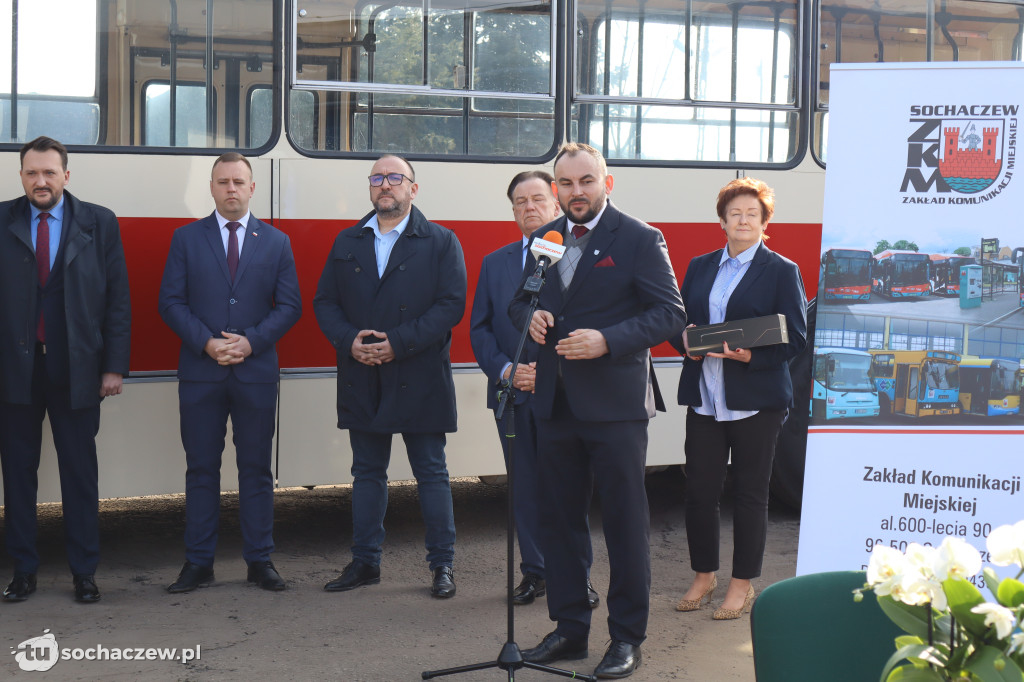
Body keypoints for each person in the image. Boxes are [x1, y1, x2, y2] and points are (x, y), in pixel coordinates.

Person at [509, 143, 686, 679]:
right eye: (566, 184)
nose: (575, 192)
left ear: (607, 184)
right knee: (560, 523)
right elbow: (523, 299)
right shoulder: (548, 237)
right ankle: (568, 629)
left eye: (586, 181)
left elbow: (670, 315)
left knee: (625, 526)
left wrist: (607, 339)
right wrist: (532, 317)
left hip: (614, 409)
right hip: (554, 404)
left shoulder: (639, 237)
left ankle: (627, 638)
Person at [314, 155, 467, 599]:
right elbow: (325, 302)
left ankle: (442, 566)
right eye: (378, 178)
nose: (386, 185)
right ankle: (365, 562)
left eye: (395, 178)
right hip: (363, 373)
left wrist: (397, 343)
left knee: (432, 473)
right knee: (366, 472)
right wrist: (349, 341)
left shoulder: (441, 241)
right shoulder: (347, 241)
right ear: (370, 188)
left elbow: (450, 306)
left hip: (419, 372)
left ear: (412, 189)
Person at [158, 152, 302, 593]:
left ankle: (260, 561)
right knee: (201, 469)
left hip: (255, 372)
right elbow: (170, 302)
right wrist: (207, 342)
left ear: (253, 187)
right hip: (202, 373)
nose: (231, 189)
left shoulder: (276, 242)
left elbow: (290, 306)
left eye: (239, 182)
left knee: (256, 469)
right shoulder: (186, 238)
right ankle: (198, 563)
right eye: (223, 182)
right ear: (212, 187)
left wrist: (251, 341)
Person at [0, 136, 131, 603]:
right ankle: (23, 571)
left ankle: (84, 573)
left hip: (78, 370)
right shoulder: (2, 219)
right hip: (15, 373)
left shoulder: (100, 222)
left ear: (66, 176)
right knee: (17, 476)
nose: (41, 181)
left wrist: (114, 367)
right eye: (32, 173)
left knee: (79, 474)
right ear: (21, 176)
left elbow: (117, 302)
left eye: (49, 173)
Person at [670, 177, 806, 620]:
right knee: (700, 492)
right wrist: (684, 340)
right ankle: (704, 576)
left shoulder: (782, 270)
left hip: (756, 400)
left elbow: (797, 339)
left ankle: (742, 584)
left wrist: (752, 355)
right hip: (706, 398)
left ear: (766, 222)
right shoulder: (699, 265)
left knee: (750, 495)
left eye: (752, 213)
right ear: (722, 221)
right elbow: (681, 323)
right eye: (735, 213)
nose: (743, 220)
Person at [469, 171, 598, 609]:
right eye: (520, 201)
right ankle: (536, 572)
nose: (529, 208)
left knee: (568, 488)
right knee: (524, 488)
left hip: (564, 394)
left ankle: (577, 577)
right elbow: (481, 328)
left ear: (556, 204)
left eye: (538, 199)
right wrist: (507, 370)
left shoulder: (578, 256)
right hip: (513, 394)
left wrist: (547, 374)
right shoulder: (495, 262)